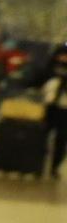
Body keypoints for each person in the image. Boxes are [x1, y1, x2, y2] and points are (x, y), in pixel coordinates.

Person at [42, 43, 67, 180]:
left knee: (61, 139)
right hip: (50, 106)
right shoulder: (50, 68)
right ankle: (39, 162)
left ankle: (54, 167)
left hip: (64, 108)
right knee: (43, 135)